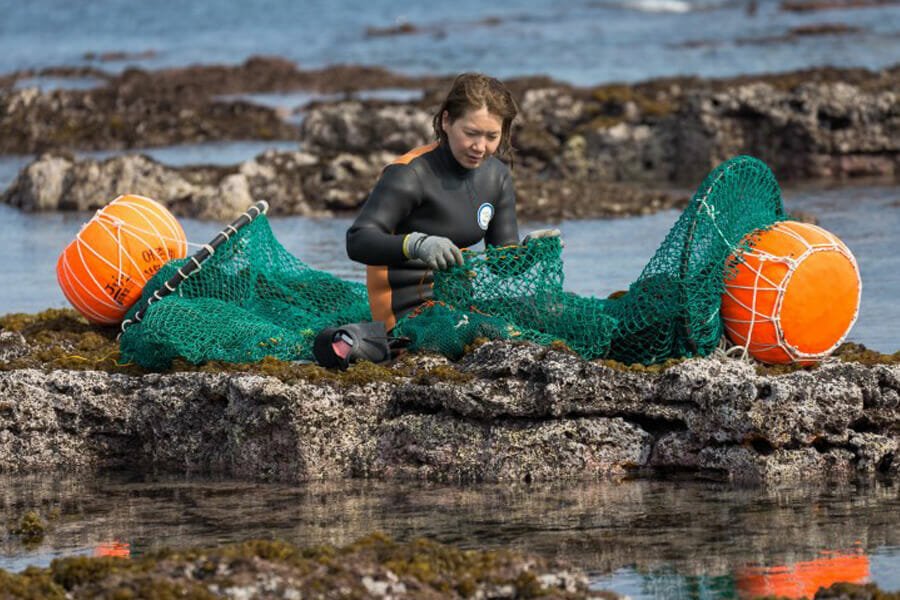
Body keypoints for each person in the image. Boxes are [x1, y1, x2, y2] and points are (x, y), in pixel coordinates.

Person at [346, 72, 559, 331]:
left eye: (492, 137)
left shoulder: (496, 177)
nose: (480, 146)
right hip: (406, 319)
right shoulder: (409, 173)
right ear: (446, 121)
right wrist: (417, 245)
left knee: (553, 311)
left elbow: (501, 263)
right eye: (471, 133)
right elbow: (357, 241)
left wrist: (529, 252)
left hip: (460, 310)